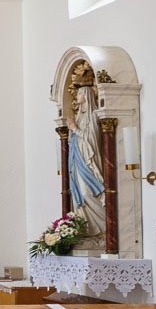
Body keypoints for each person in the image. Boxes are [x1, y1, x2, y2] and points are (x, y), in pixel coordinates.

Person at [67, 63, 107, 239]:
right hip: (77, 160)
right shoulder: (79, 116)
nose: (77, 96)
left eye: (80, 94)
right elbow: (73, 140)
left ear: (87, 95)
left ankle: (102, 225)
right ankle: (86, 229)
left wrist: (75, 129)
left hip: (88, 160)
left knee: (86, 192)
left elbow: (92, 140)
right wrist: (72, 131)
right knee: (77, 194)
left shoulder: (92, 116)